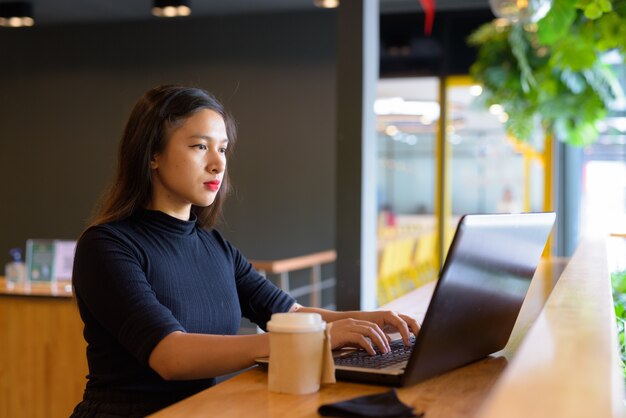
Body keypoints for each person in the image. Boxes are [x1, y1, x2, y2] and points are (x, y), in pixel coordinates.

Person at [70, 85, 420, 417]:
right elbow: (170, 356)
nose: (218, 164)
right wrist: (313, 339)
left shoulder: (214, 245)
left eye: (222, 149)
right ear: (152, 155)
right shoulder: (106, 246)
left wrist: (371, 320)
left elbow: (288, 312)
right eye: (199, 147)